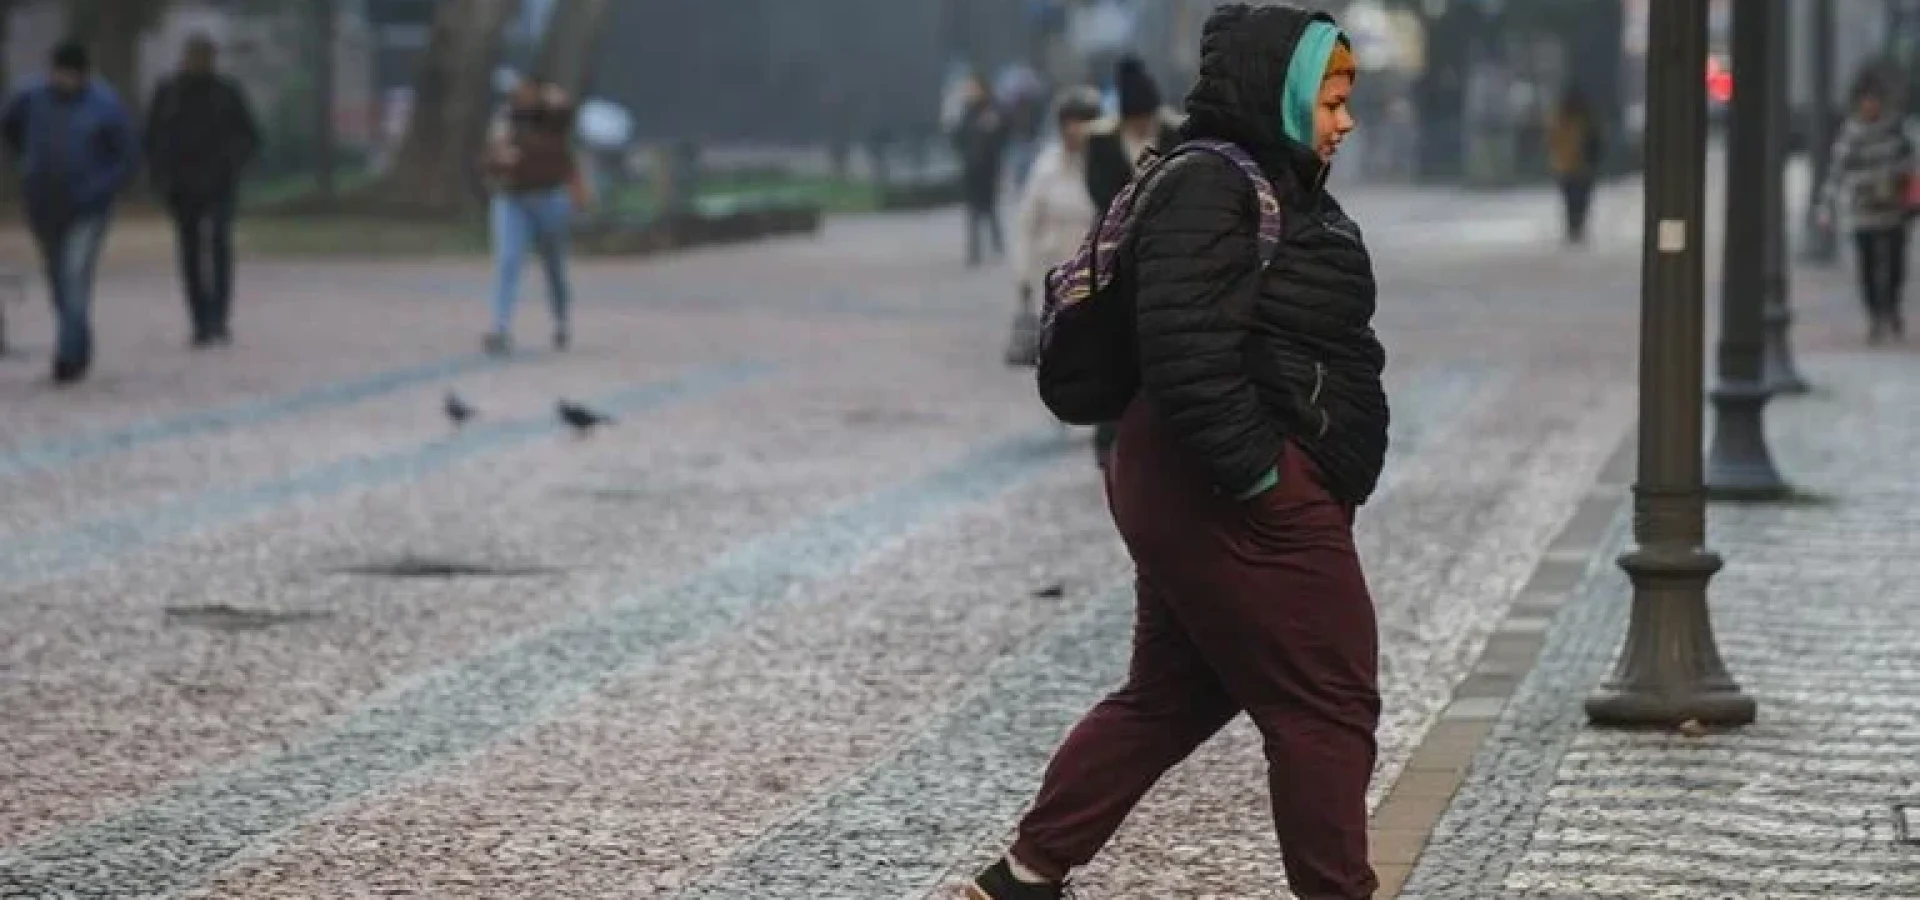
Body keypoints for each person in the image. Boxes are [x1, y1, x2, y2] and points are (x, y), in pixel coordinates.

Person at [968, 5, 1388, 899]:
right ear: (1279, 94)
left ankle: (1024, 877)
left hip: (1189, 480)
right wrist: (1263, 478)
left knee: (1173, 694)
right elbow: (1186, 346)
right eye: (1331, 100)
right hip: (1223, 487)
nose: (1344, 120)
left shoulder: (1267, 176)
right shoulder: (1212, 184)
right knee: (1326, 701)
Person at [0, 41, 137, 385]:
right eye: (59, 73)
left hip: (89, 208)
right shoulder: (30, 98)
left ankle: (67, 357)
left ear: (83, 75)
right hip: (44, 206)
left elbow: (125, 155)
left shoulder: (105, 105)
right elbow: (11, 130)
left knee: (75, 277)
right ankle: (78, 343)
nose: (63, 80)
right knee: (59, 280)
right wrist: (28, 167)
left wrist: (102, 188)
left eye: (70, 75)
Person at [1082, 56, 1182, 472]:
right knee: (1115, 347)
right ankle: (1108, 439)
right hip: (1116, 257)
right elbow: (1098, 192)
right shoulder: (1102, 143)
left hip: (1169, 256)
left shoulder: (1177, 133)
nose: (1141, 128)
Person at [145, 33, 262, 348]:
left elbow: (249, 135)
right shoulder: (169, 94)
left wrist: (232, 164)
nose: (198, 62)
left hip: (220, 183)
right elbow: (153, 138)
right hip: (182, 186)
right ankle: (200, 319)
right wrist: (161, 176)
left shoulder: (226, 93)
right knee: (190, 252)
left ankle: (219, 317)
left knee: (220, 246)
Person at [480, 79, 589, 355]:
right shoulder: (506, 121)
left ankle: (561, 321)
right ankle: (500, 327)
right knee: (508, 260)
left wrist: (557, 100)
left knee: (553, 266)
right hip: (512, 199)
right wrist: (499, 159)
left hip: (549, 199)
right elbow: (489, 158)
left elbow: (567, 118)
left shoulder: (553, 120)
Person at [1004, 87, 1103, 366]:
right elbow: (1026, 226)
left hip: (1098, 278)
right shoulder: (1046, 169)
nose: (1076, 131)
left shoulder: (1108, 166)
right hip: (1056, 277)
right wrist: (1023, 274)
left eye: (1082, 123)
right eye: (1070, 123)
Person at [1818, 71, 1916, 343]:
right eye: (1866, 101)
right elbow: (1837, 172)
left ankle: (1892, 309)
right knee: (1868, 266)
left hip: (1893, 210)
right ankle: (1875, 316)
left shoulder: (1895, 131)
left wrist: (1899, 184)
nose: (1870, 106)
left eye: (1874, 100)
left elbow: (1910, 166)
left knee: (1895, 265)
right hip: (1863, 212)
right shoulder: (1852, 134)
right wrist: (1827, 207)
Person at [951, 74, 1010, 267]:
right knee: (973, 211)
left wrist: (993, 130)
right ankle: (974, 251)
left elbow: (1003, 135)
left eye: (973, 88)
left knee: (990, 208)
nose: (970, 92)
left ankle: (998, 244)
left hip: (989, 168)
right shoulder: (966, 111)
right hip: (971, 168)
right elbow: (958, 136)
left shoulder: (993, 110)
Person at [1545, 85, 1602, 245]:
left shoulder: (1560, 118)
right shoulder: (1586, 119)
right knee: (1579, 199)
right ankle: (1576, 226)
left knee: (1572, 199)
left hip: (1567, 166)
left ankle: (1574, 227)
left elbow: (1552, 141)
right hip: (1580, 166)